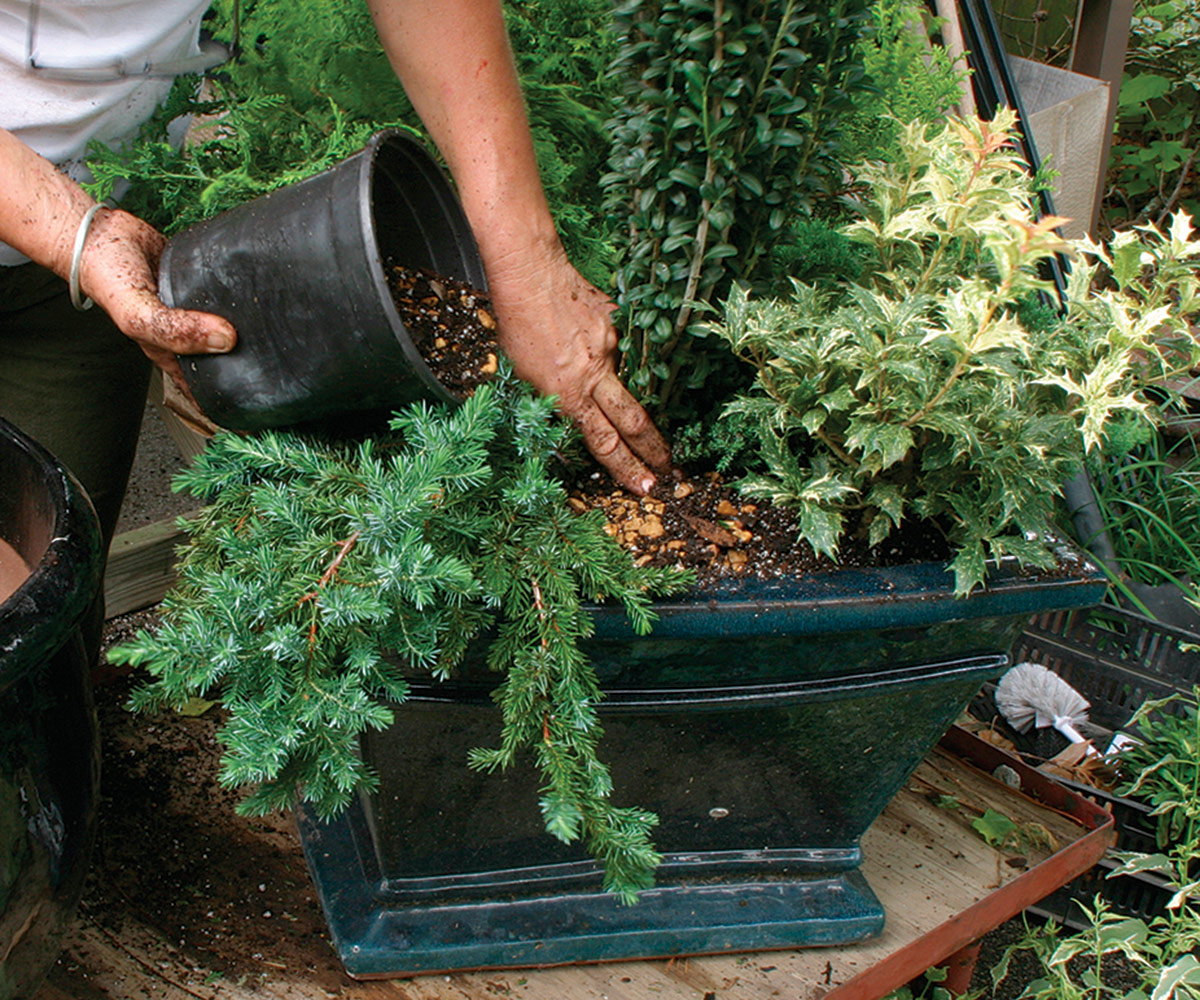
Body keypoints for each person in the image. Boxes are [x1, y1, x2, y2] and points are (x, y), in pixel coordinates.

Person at [0, 0, 671, 567]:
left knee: (52, 598)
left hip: (80, 253)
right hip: (72, 225)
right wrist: (76, 233)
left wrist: (527, 264)